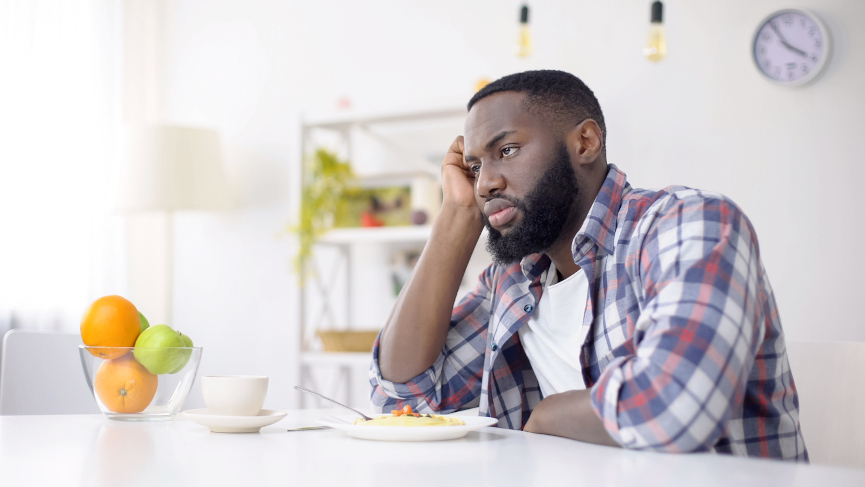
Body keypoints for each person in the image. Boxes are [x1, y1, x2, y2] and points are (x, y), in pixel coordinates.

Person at [369, 70, 807, 461]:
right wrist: (456, 218)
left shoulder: (688, 224)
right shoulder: (513, 279)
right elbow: (404, 400)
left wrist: (545, 417)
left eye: (508, 150)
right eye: (475, 166)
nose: (485, 183)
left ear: (585, 142)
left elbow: (675, 407)